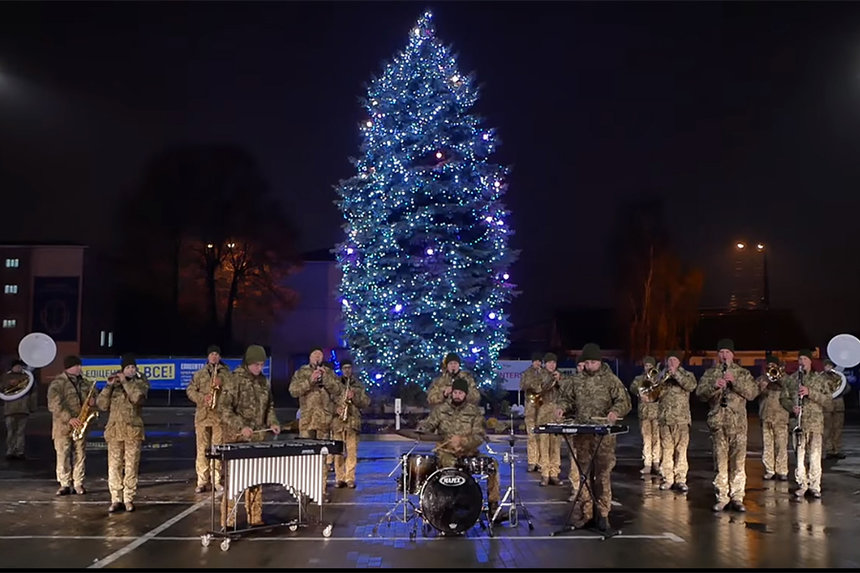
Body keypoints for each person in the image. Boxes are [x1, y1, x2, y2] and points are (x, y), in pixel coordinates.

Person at [555, 343, 631, 533]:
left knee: (602, 474)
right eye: (587, 362)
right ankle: (586, 513)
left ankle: (603, 514)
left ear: (600, 362)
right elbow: (566, 399)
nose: (590, 366)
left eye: (593, 362)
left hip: (603, 435)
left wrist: (615, 412)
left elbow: (624, 400)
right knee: (584, 475)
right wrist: (562, 407)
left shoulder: (610, 380)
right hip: (583, 435)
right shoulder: (576, 380)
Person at [417, 377, 503, 524]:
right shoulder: (441, 410)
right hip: (447, 453)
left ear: (465, 394)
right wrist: (419, 429)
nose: (457, 395)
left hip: (469, 453)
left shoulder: (474, 412)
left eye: (460, 393)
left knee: (492, 465)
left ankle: (493, 508)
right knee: (448, 465)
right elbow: (427, 425)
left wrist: (463, 442)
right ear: (452, 393)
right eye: (455, 392)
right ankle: (446, 507)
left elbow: (479, 435)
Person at [218, 344, 281, 527]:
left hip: (257, 439)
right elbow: (224, 409)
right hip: (236, 439)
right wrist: (241, 426)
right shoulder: (234, 380)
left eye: (262, 365)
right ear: (248, 363)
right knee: (232, 483)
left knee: (255, 479)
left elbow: (269, 407)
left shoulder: (264, 382)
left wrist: (273, 422)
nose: (259, 368)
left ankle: (255, 517)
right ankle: (228, 520)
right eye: (256, 365)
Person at [695, 338, 758, 512]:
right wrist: (715, 386)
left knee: (738, 463)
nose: (724, 355)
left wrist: (734, 382)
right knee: (720, 463)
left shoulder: (742, 373)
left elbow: (752, 393)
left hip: (738, 425)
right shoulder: (710, 373)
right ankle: (722, 496)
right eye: (721, 352)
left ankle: (737, 497)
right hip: (718, 423)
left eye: (727, 352)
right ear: (718, 355)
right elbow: (700, 394)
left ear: (733, 354)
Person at [96, 355, 150, 513]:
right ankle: (116, 498)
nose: (131, 370)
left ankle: (128, 498)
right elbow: (102, 405)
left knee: (131, 465)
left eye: (133, 367)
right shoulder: (114, 386)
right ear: (122, 369)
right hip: (114, 431)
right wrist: (108, 386)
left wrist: (126, 382)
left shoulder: (140, 382)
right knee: (114, 466)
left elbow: (137, 398)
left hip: (132, 430)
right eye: (128, 368)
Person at [780, 349, 832, 499]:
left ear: (810, 361)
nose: (802, 362)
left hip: (815, 423)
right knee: (800, 457)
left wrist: (811, 393)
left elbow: (828, 402)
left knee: (815, 456)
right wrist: (792, 407)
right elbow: (784, 398)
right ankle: (802, 484)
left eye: (804, 359)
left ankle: (815, 486)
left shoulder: (819, 379)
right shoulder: (792, 379)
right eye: (800, 359)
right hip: (798, 424)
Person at [288, 347, 340, 500]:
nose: (317, 356)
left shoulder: (328, 372)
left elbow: (337, 390)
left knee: (322, 457)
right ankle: (306, 489)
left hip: (323, 420)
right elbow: (293, 391)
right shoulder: (301, 372)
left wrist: (325, 379)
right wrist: (310, 380)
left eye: (320, 354)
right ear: (310, 356)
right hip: (307, 420)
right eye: (314, 354)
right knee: (306, 455)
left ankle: (321, 489)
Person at [47, 355, 97, 495]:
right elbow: (54, 405)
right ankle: (64, 483)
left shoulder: (85, 382)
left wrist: (94, 401)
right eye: (77, 366)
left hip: (81, 425)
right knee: (63, 454)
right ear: (69, 367)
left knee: (80, 454)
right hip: (63, 427)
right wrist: (69, 419)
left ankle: (78, 483)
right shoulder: (57, 384)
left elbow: (94, 396)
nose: (80, 368)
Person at [186, 344, 231, 494]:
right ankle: (202, 480)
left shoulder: (226, 374)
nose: (214, 356)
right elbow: (190, 390)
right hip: (202, 416)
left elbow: (233, 391)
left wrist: (222, 383)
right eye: (211, 354)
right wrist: (202, 398)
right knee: (202, 449)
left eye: (216, 354)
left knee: (217, 449)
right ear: (207, 356)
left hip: (219, 417)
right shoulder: (200, 374)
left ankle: (216, 480)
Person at [655, 350, 697, 492]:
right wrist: (661, 377)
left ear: (679, 362)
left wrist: (676, 374)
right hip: (665, 419)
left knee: (681, 451)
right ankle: (668, 479)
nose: (671, 363)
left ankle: (680, 479)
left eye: (674, 360)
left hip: (681, 420)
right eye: (669, 360)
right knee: (666, 451)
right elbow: (653, 392)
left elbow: (691, 386)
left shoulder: (687, 375)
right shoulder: (661, 376)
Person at [331, 360, 370, 489]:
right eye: (344, 368)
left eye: (349, 368)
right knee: (338, 452)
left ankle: (350, 478)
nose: (347, 370)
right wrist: (335, 409)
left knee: (352, 452)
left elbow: (365, 402)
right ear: (341, 369)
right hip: (338, 423)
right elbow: (328, 402)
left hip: (352, 423)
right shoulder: (335, 384)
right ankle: (339, 477)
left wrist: (354, 397)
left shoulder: (358, 385)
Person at [756, 355, 790, 481]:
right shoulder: (762, 379)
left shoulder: (785, 378)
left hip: (781, 416)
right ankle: (770, 469)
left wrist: (779, 379)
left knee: (781, 445)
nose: (771, 368)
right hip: (766, 416)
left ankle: (782, 470)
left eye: (773, 366)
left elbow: (790, 389)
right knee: (768, 444)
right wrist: (762, 386)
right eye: (769, 366)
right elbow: (754, 393)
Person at [534, 352, 564, 487]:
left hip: (557, 414)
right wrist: (551, 380)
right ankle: (545, 474)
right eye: (549, 362)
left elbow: (567, 391)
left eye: (554, 362)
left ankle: (554, 473)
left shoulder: (560, 376)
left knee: (556, 445)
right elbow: (539, 390)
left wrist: (560, 380)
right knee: (544, 445)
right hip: (544, 413)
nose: (552, 365)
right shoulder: (540, 375)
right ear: (545, 364)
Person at [628, 356, 661, 480]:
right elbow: (633, 388)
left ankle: (656, 462)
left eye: (650, 365)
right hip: (644, 414)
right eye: (646, 365)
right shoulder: (639, 378)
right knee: (646, 439)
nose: (648, 368)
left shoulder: (658, 378)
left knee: (657, 439)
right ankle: (647, 464)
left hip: (657, 413)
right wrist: (642, 387)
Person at [2, 359, 38, 460]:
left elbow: (33, 393)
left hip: (23, 409)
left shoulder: (27, 378)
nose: (18, 368)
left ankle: (20, 451)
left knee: (20, 432)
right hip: (10, 409)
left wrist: (32, 407)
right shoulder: (5, 377)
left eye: (20, 366)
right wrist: (10, 384)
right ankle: (10, 450)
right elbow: (2, 388)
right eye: (16, 366)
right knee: (10, 431)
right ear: (12, 367)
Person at [518, 352, 544, 473]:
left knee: (542, 436)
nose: (538, 363)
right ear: (532, 362)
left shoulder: (544, 373)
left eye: (539, 361)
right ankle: (532, 461)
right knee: (532, 435)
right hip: (530, 408)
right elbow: (522, 385)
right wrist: (533, 385)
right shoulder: (526, 373)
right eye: (536, 361)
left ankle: (541, 462)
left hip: (542, 408)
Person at [821, 358, 847, 460]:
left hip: (839, 405)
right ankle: (828, 450)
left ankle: (837, 450)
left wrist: (840, 391)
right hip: (827, 405)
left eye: (830, 366)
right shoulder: (821, 377)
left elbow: (847, 388)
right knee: (827, 428)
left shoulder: (839, 376)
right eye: (826, 366)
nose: (828, 368)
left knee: (838, 428)